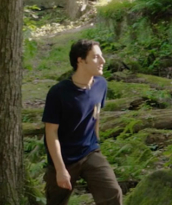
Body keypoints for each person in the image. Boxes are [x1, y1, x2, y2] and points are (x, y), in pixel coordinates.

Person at [42, 39, 123, 205]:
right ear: (80, 60)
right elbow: (51, 132)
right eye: (95, 57)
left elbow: (96, 114)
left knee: (113, 193)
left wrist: (96, 141)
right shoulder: (59, 92)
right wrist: (60, 169)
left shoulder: (101, 85)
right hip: (63, 158)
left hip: (90, 152)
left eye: (101, 56)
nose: (103, 61)